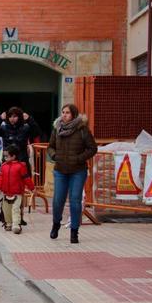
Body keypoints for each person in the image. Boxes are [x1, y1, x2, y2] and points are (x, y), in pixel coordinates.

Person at [48, 104, 97, 244]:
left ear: (74, 115)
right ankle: (56, 224)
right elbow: (50, 146)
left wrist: (79, 158)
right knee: (58, 201)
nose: (64, 115)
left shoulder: (82, 129)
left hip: (78, 171)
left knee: (75, 201)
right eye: (63, 112)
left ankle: (74, 232)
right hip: (60, 170)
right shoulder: (57, 128)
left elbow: (92, 148)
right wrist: (54, 155)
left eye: (67, 113)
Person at [0, 145, 35, 234]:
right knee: (6, 209)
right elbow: (0, 178)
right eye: (4, 156)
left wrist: (31, 187)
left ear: (14, 156)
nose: (5, 158)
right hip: (6, 193)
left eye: (7, 156)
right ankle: (8, 223)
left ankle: (16, 225)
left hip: (17, 193)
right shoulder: (3, 166)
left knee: (16, 209)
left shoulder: (21, 166)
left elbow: (26, 178)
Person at [0, 106, 41, 173]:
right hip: (7, 161)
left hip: (22, 161)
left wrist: (30, 120)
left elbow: (36, 133)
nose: (12, 119)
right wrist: (0, 119)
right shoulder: (4, 128)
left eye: (14, 116)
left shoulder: (25, 128)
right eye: (10, 116)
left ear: (19, 117)